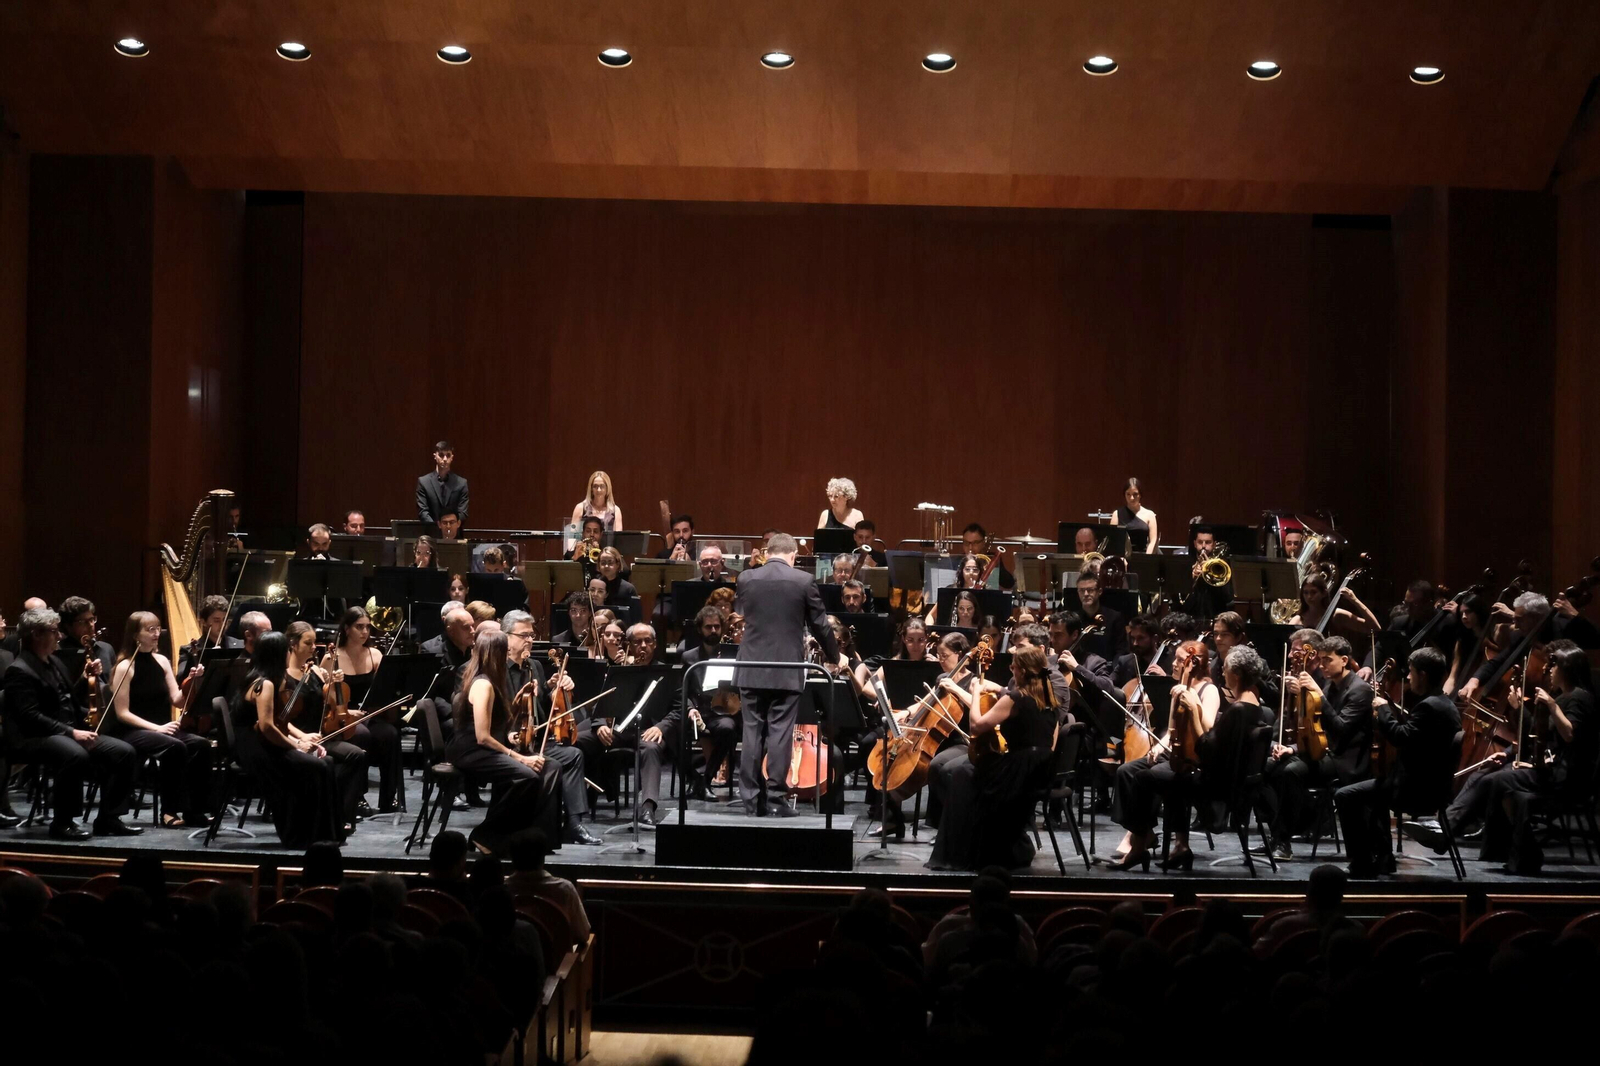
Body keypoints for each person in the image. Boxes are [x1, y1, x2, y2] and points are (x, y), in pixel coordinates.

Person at [3, 607, 141, 839]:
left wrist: (89, 686)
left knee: (124, 751)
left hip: (63, 732)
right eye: (53, 632)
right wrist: (72, 733)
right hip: (32, 737)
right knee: (75, 754)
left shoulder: (54, 662)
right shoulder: (19, 670)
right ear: (36, 634)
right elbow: (30, 717)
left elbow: (66, 699)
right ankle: (62, 822)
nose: (59, 636)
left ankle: (109, 818)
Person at [925, 644, 1059, 870]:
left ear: (1022, 672)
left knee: (962, 774)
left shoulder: (1017, 698)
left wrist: (976, 692)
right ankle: (1006, 843)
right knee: (967, 771)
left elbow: (977, 726)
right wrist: (999, 691)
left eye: (1013, 666)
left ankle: (960, 853)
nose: (1011, 670)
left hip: (1019, 770)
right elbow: (1051, 739)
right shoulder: (1049, 699)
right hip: (1043, 768)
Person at [734, 532, 839, 816]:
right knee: (780, 733)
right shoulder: (803, 581)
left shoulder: (746, 578)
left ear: (768, 552)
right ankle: (776, 800)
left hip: (751, 667)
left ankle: (751, 801)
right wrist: (835, 657)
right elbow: (820, 625)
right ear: (793, 555)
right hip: (786, 669)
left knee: (752, 733)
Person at [1335, 646, 1459, 876]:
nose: (1408, 677)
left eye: (1411, 672)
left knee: (1345, 795)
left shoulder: (1428, 706)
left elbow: (1401, 737)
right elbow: (1415, 734)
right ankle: (1383, 858)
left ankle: (1361, 860)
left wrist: (1383, 709)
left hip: (1414, 791)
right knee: (1373, 788)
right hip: (1433, 787)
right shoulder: (1445, 704)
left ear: (1422, 674)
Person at [447, 629, 563, 856]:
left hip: (481, 748)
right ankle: (485, 836)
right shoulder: (483, 685)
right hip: (470, 750)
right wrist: (520, 758)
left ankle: (524, 836)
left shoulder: (489, 681)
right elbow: (483, 736)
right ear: (497, 654)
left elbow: (497, 724)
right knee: (527, 776)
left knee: (546, 769)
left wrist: (518, 703)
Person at [1107, 641, 1221, 869]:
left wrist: (1193, 701)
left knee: (1147, 779)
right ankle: (1145, 831)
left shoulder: (1210, 690)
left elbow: (1207, 728)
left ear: (1194, 664)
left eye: (1180, 660)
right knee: (1125, 771)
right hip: (1172, 753)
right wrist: (1159, 746)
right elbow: (1171, 730)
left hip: (1193, 758)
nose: (1175, 664)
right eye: (1177, 659)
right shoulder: (1177, 686)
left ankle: (1139, 845)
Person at [1259, 634, 1374, 860]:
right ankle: (1279, 836)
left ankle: (1286, 840)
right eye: (1320, 660)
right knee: (1271, 766)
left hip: (1346, 759)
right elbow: (1316, 726)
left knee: (1291, 771)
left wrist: (1318, 695)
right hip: (1325, 750)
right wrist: (1292, 748)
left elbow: (1340, 730)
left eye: (1327, 660)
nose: (1322, 666)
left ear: (1344, 660)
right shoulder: (1331, 684)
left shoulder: (1360, 690)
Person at [231, 631, 350, 846]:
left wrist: (303, 740)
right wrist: (297, 745)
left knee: (327, 762)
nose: (289, 654)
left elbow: (280, 722)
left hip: (264, 743)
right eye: (286, 650)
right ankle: (306, 835)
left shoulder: (267, 679)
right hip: (257, 750)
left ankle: (328, 832)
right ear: (277, 654)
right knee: (317, 767)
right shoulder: (264, 684)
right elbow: (266, 727)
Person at [104, 612, 214, 827]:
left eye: (158, 628)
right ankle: (169, 811)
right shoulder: (125, 667)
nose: (156, 634)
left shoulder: (162, 661)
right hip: (131, 731)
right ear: (135, 635)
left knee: (201, 745)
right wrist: (158, 728)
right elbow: (122, 713)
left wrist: (193, 681)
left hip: (161, 730)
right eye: (150, 630)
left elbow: (178, 701)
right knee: (174, 747)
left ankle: (195, 811)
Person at [504, 610, 600, 845]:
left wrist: (556, 689)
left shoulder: (534, 666)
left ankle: (574, 823)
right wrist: (510, 735)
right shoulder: (497, 669)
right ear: (506, 636)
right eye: (523, 635)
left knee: (573, 754)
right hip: (510, 742)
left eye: (531, 635)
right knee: (556, 762)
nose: (529, 640)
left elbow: (542, 707)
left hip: (537, 740)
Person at [281, 622, 368, 832]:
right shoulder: (283, 677)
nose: (313, 647)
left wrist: (334, 683)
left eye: (313, 642)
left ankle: (341, 813)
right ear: (292, 644)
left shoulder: (315, 672)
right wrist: (302, 737)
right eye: (307, 643)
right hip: (299, 738)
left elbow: (327, 702)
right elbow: (282, 720)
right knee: (333, 761)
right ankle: (330, 810)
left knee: (357, 754)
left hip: (322, 735)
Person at [334, 606, 404, 814]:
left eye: (367, 627)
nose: (365, 632)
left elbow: (384, 690)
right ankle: (358, 796)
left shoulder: (375, 655)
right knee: (361, 735)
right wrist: (347, 713)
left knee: (390, 734)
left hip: (368, 715)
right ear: (347, 629)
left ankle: (389, 797)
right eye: (359, 627)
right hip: (343, 719)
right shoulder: (333, 656)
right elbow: (327, 696)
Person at [681, 606, 738, 799]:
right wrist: (689, 709)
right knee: (670, 732)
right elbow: (683, 691)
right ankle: (694, 778)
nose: (713, 631)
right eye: (708, 627)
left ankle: (705, 780)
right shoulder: (689, 657)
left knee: (728, 728)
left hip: (721, 712)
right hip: (697, 711)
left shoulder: (732, 655)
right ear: (699, 629)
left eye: (716, 627)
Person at [506, 829, 591, 941]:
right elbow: (583, 934)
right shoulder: (564, 889)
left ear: (511, 858)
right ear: (543, 857)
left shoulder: (502, 891)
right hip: (557, 958)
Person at [55, 596, 113, 710]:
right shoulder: (58, 653)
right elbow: (63, 698)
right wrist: (83, 678)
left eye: (92, 619)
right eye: (83, 621)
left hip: (108, 715)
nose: (91, 625)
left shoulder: (106, 649)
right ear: (68, 625)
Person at [1073, 564, 1127, 660]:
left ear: (1099, 591)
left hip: (1107, 670)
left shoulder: (1114, 617)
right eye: (1082, 590)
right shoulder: (1074, 618)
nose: (1085, 594)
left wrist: (1114, 673)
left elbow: (1121, 651)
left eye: (1090, 590)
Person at [417, 440, 469, 531]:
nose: (445, 459)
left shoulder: (461, 483)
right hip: (431, 534)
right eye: (441, 455)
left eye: (448, 455)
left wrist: (449, 528)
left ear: (452, 457)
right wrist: (437, 528)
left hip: (454, 535)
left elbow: (463, 513)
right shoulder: (423, 482)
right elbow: (423, 512)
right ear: (435, 456)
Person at [960, 524, 1015, 589]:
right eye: (966, 543)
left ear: (983, 542)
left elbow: (1009, 583)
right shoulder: (959, 560)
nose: (970, 547)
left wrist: (994, 566)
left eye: (975, 543)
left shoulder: (991, 559)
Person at [1113, 478, 1159, 553]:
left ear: (1140, 495)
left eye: (1135, 494)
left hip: (1144, 557)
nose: (1131, 498)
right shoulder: (1116, 514)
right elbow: (1114, 540)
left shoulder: (1150, 515)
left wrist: (1147, 559)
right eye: (1128, 494)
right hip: (1123, 558)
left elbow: (1153, 541)